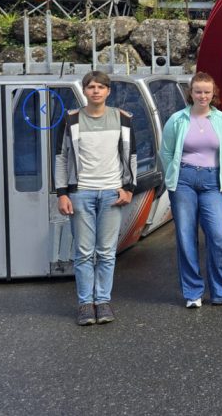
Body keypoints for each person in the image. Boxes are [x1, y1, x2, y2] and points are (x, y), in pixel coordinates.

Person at [55, 71, 136, 326]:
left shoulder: (122, 119)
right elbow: (61, 158)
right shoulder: (71, 119)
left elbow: (130, 156)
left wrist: (129, 188)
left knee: (107, 252)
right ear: (84, 91)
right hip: (81, 193)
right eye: (91, 87)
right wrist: (62, 193)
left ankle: (102, 301)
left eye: (101, 87)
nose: (96, 91)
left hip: (112, 192)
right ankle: (84, 304)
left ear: (108, 91)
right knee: (83, 252)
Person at [159, 72, 222, 308]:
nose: (203, 96)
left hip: (211, 181)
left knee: (220, 236)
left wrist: (219, 175)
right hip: (183, 179)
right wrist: (173, 176)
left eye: (207, 91)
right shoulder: (177, 119)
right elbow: (165, 152)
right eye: (198, 91)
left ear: (213, 93)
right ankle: (193, 292)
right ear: (191, 93)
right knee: (186, 237)